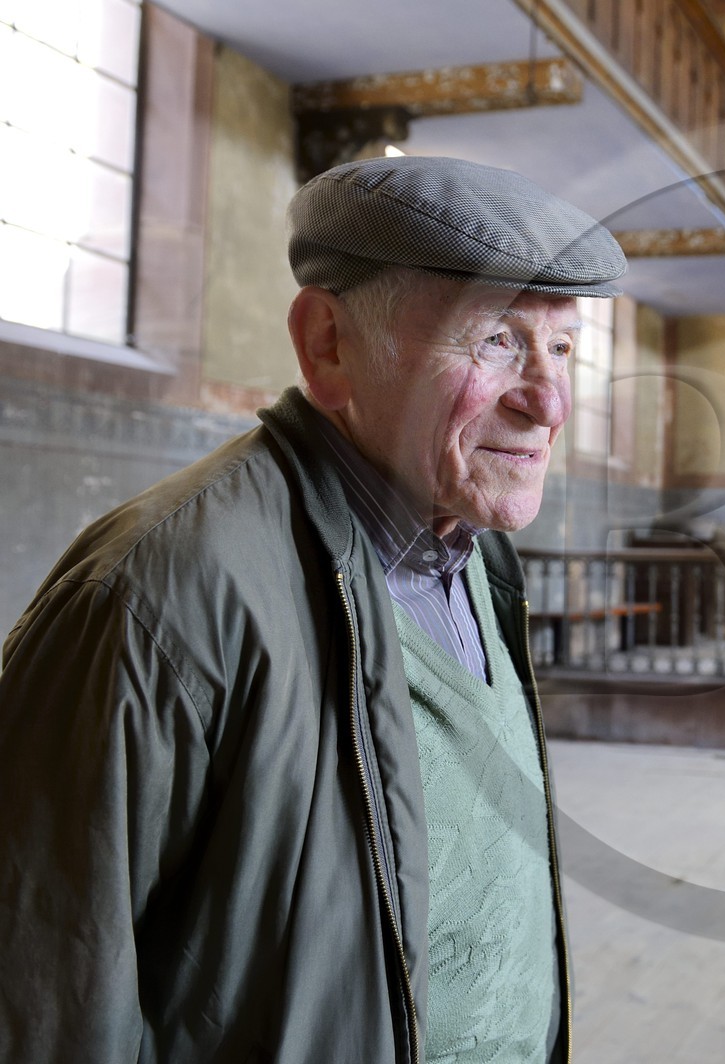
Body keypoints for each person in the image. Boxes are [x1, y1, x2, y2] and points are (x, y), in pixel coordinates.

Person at [0, 155, 626, 1063]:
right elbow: (46, 990)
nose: (548, 400)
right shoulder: (159, 590)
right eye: (495, 341)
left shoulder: (471, 545)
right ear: (327, 344)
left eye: (562, 347)